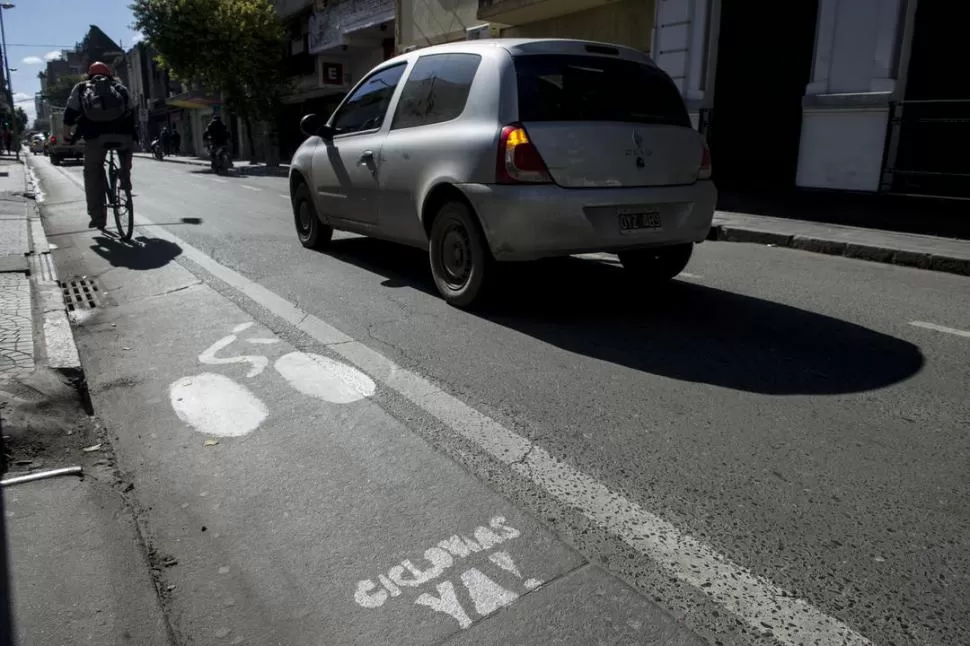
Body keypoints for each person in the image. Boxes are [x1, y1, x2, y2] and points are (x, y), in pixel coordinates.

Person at [63, 61, 138, 228]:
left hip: (95, 137)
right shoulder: (119, 88)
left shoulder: (82, 87)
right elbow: (132, 109)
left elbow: (70, 111)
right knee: (126, 153)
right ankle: (125, 176)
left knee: (92, 172)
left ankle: (97, 217)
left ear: (89, 74)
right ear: (109, 74)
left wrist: (67, 134)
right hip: (123, 136)